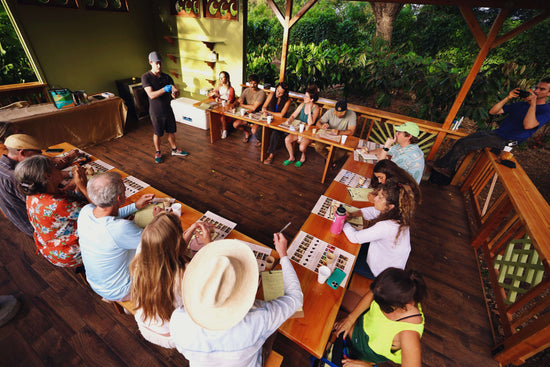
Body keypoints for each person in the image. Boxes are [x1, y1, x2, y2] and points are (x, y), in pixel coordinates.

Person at [170, 234, 303, 366]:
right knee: (273, 326)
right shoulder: (260, 316)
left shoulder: (177, 320)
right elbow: (296, 298)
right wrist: (283, 255)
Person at [433, 78, 550, 177]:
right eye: (536, 87)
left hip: (507, 141)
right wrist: (508, 97)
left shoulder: (546, 111)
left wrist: (533, 103)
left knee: (465, 144)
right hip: (497, 133)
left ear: (548, 93)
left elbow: (528, 125)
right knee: (462, 140)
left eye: (542, 89)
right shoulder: (521, 104)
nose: (536, 90)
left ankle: (444, 167)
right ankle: (447, 168)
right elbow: (493, 111)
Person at [130, 212, 213, 349]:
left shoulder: (141, 252)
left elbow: (171, 249)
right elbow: (213, 274)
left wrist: (192, 228)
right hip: (171, 337)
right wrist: (209, 245)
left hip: (144, 325)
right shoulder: (185, 273)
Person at [77, 171, 159, 301]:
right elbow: (156, 240)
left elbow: (110, 214)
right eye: (124, 190)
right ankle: (137, 300)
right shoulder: (120, 229)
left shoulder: (86, 211)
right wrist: (158, 219)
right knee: (159, 256)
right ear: (119, 199)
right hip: (120, 290)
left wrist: (135, 206)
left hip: (97, 283)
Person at [334, 268, 426, 367]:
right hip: (366, 321)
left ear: (397, 305)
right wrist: (350, 319)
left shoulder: (409, 333)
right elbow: (373, 293)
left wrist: (366, 366)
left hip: (366, 346)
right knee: (334, 297)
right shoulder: (402, 288)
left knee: (328, 324)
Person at [14, 155, 88, 268]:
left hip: (50, 247)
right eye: (55, 167)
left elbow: (65, 196)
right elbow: (98, 213)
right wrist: (83, 186)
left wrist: (75, 183)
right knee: (117, 218)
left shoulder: (33, 194)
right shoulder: (59, 204)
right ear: (48, 176)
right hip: (69, 253)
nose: (59, 169)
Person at [0, 134, 81, 236]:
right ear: (23, 152)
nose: (41, 155)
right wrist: (75, 184)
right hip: (37, 227)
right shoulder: (16, 178)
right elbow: (47, 201)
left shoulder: (4, 163)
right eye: (37, 153)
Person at [343, 182, 416, 279]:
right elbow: (373, 211)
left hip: (379, 272)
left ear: (390, 206)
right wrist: (352, 214)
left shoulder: (387, 226)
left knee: (344, 258)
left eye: (380, 198)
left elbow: (354, 238)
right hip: (385, 260)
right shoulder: (398, 214)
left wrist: (342, 220)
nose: (375, 198)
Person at [142, 51, 188, 164]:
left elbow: (175, 91)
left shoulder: (167, 77)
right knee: (158, 132)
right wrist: (164, 89)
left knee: (171, 130)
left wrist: (175, 93)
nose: (159, 66)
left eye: (160, 63)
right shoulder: (146, 77)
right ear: (150, 62)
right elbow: (151, 95)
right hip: (156, 111)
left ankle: (174, 149)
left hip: (167, 108)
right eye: (156, 63)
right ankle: (158, 152)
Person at [283, 85, 321, 167]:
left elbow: (310, 123)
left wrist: (310, 108)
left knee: (302, 147)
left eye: (307, 97)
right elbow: (293, 115)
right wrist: (290, 120)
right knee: (287, 139)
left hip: (309, 132)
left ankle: (303, 156)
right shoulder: (302, 105)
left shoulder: (316, 108)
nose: (304, 97)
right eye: (305, 95)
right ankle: (291, 157)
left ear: (312, 99)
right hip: (300, 129)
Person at [259, 82, 292, 164]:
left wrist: (268, 112)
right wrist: (264, 111)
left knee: (275, 134)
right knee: (257, 133)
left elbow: (281, 115)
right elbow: (264, 107)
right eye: (277, 90)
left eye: (281, 93)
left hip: (281, 123)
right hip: (270, 120)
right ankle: (272, 144)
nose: (278, 93)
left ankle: (271, 155)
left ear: (284, 94)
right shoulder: (271, 95)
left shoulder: (287, 100)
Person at [233, 74, 266, 143]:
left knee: (254, 130)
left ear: (258, 83)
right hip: (247, 114)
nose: (252, 85)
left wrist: (242, 105)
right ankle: (247, 133)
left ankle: (259, 139)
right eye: (251, 83)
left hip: (258, 116)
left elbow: (254, 107)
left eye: (254, 83)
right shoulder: (246, 90)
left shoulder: (261, 93)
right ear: (249, 83)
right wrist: (233, 105)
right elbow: (239, 101)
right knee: (235, 125)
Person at [209, 71, 236, 139]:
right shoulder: (219, 87)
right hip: (220, 106)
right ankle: (215, 131)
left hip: (228, 108)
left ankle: (224, 131)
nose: (220, 79)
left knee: (222, 116)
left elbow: (229, 102)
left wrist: (219, 98)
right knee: (211, 112)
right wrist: (213, 95)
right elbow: (212, 96)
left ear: (227, 79)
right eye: (220, 78)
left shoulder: (231, 89)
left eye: (222, 78)